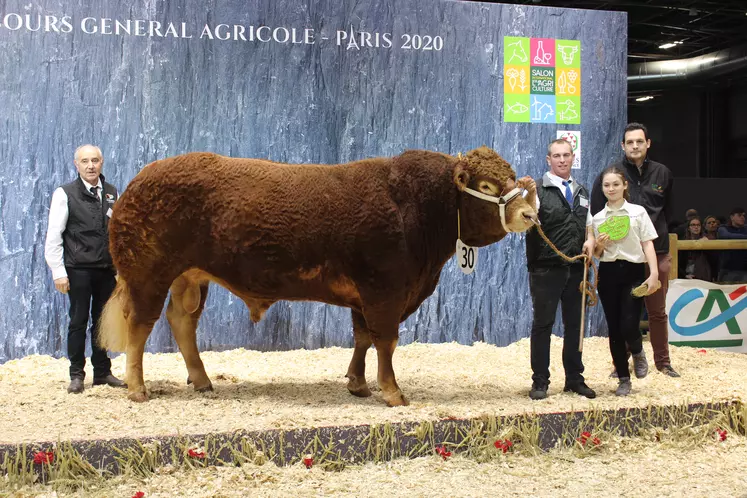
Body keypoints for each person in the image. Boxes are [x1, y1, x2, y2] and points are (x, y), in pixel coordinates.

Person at [590, 123, 680, 378]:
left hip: (656, 250)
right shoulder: (612, 174)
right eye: (630, 142)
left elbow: (670, 211)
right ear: (623, 146)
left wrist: (655, 240)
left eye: (639, 141)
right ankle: (623, 362)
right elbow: (598, 214)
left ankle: (663, 362)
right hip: (621, 255)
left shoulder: (663, 173)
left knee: (656, 309)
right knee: (621, 313)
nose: (635, 146)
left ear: (648, 143)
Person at [44, 145, 126, 394]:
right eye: (85, 161)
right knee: (78, 321)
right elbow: (54, 235)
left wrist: (120, 269)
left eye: (95, 160)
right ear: (76, 164)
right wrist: (58, 271)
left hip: (105, 270)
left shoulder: (112, 193)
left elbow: (118, 234)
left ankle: (102, 372)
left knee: (102, 322)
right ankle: (77, 374)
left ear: (102, 162)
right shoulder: (64, 193)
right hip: (77, 270)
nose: (90, 166)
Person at [525, 139, 596, 400]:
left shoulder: (582, 192)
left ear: (572, 157)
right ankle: (540, 381)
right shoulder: (536, 192)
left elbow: (588, 224)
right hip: (545, 268)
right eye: (557, 156)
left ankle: (574, 379)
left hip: (577, 268)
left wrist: (590, 239)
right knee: (543, 324)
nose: (562, 160)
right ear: (548, 160)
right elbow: (527, 220)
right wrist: (529, 195)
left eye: (566, 155)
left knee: (575, 325)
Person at [593, 166, 660, 396]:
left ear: (624, 186)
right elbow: (597, 254)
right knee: (614, 328)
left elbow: (647, 243)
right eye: (606, 185)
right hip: (608, 273)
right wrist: (599, 245)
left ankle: (638, 350)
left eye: (615, 184)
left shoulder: (638, 212)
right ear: (602, 189)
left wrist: (654, 273)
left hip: (633, 272)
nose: (611, 189)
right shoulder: (597, 218)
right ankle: (623, 377)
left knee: (629, 323)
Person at [716, 207, 747, 283]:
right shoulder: (723, 228)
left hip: (744, 270)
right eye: (739, 215)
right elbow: (726, 236)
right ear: (732, 217)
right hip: (727, 270)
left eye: (744, 216)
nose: (742, 218)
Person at [677, 216, 712, 281]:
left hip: (702, 278)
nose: (696, 227)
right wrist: (684, 275)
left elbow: (713, 261)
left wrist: (707, 244)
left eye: (698, 225)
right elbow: (678, 263)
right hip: (686, 278)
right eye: (693, 225)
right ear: (688, 228)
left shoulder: (706, 241)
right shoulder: (683, 243)